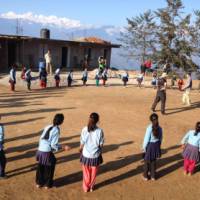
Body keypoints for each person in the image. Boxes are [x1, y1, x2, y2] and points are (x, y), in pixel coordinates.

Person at [35, 114, 71, 189]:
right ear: (61, 122)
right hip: (46, 151)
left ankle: (39, 183)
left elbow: (41, 138)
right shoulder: (57, 130)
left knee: (41, 166)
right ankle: (47, 184)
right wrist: (64, 147)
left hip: (40, 150)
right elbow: (54, 145)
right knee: (50, 166)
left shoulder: (48, 126)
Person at [80, 113, 104, 192]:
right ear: (98, 121)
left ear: (89, 119)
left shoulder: (84, 129)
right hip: (95, 156)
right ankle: (91, 187)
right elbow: (101, 144)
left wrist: (80, 149)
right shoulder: (100, 131)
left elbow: (82, 142)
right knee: (93, 173)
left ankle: (86, 187)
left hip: (86, 155)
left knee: (86, 173)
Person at [142, 113, 163, 181]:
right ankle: (153, 176)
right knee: (153, 161)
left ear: (151, 120)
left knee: (147, 161)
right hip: (156, 145)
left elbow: (146, 139)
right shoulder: (160, 128)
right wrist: (159, 145)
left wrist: (144, 148)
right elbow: (161, 138)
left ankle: (145, 176)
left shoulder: (149, 128)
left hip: (150, 146)